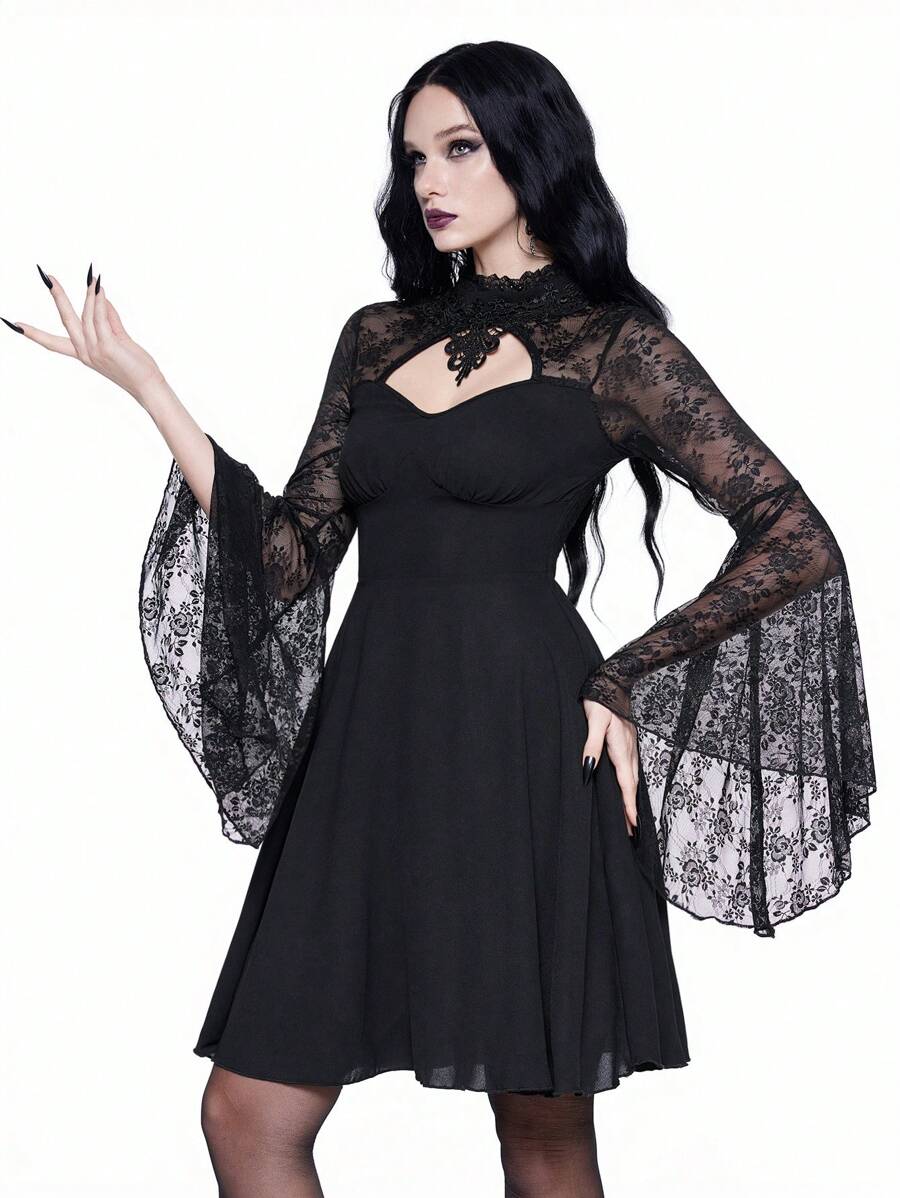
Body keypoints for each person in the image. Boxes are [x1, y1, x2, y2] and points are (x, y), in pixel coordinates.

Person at [7, 39, 876, 1198]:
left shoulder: (616, 348)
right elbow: (289, 558)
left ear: (531, 149)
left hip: (529, 743)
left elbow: (795, 537)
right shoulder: (378, 335)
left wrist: (625, 673)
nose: (430, 180)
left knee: (543, 1131)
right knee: (246, 1112)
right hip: (369, 745)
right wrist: (148, 387)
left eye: (460, 149)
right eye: (415, 156)